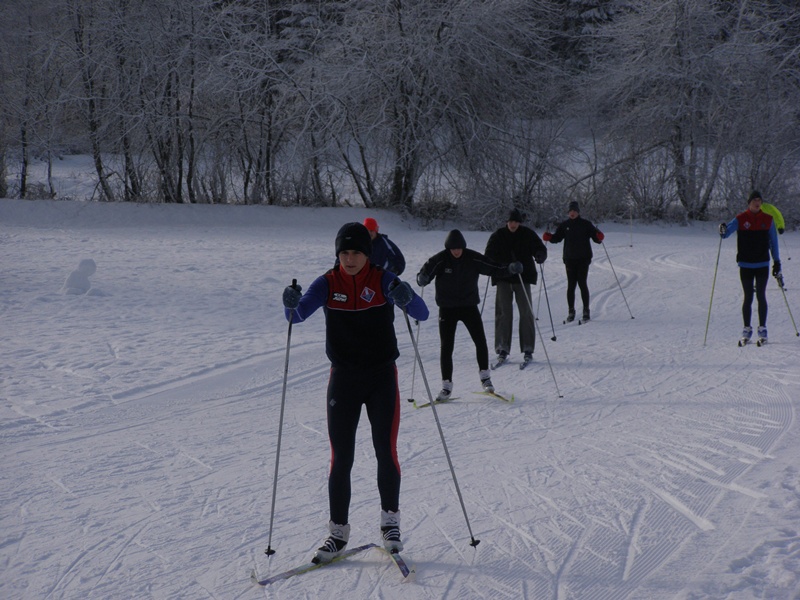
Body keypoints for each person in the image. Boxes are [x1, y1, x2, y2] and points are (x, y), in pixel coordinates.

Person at [282, 222, 429, 563]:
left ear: (367, 254)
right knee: (341, 457)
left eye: (356, 253)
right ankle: (338, 533)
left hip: (381, 378)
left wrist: (407, 296)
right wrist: (288, 302)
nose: (349, 259)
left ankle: (390, 524)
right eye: (344, 253)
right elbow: (297, 315)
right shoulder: (327, 283)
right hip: (344, 379)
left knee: (385, 451)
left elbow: (421, 313)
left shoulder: (383, 280)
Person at [417, 229, 522, 401]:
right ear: (448, 248)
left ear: (463, 247)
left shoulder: (472, 258)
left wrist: (509, 268)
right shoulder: (441, 259)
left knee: (480, 341)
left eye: (459, 248)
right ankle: (446, 386)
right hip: (447, 308)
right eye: (453, 249)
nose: (456, 251)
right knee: (446, 346)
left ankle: (485, 378)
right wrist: (422, 278)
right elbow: (426, 272)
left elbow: (492, 267)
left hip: (468, 306)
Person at [484, 208, 547, 364]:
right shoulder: (498, 235)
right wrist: (498, 266)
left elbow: (539, 247)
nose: (513, 224)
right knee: (503, 313)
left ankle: (528, 348)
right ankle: (502, 348)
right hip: (503, 278)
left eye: (516, 222)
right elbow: (489, 255)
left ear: (520, 223)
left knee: (526, 312)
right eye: (511, 221)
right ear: (507, 222)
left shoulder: (527, 234)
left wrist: (540, 255)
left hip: (522, 278)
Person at [719, 191, 781, 344]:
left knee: (761, 295)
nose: (757, 203)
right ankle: (747, 329)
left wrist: (777, 262)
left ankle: (762, 329)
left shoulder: (768, 219)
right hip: (745, 264)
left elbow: (774, 242)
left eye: (759, 200)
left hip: (762, 263)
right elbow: (725, 234)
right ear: (749, 203)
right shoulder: (741, 219)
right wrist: (722, 229)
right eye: (754, 200)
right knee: (748, 297)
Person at [543, 201, 604, 322]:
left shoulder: (586, 224)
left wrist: (599, 237)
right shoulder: (565, 225)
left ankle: (586, 310)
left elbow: (596, 237)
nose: (572, 213)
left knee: (582, 283)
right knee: (571, 285)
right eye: (570, 211)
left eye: (575, 211)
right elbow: (557, 238)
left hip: (583, 259)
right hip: (569, 259)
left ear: (578, 212)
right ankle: (571, 311)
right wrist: (549, 237)